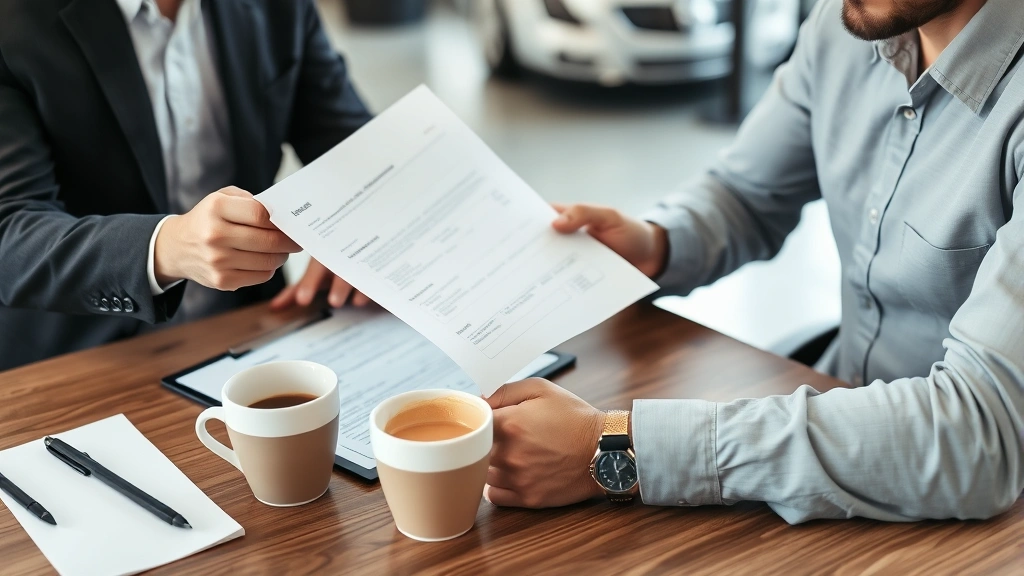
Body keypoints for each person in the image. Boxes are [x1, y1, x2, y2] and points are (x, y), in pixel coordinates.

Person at [485, 0, 1024, 522]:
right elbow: (746, 194)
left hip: (971, 506)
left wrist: (618, 449)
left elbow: (978, 433)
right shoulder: (844, 25)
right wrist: (657, 244)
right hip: (836, 413)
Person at [0, 0, 371, 371]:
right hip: (81, 362)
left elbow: (358, 150)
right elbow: (9, 231)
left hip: (252, 330)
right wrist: (167, 247)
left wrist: (358, 233)